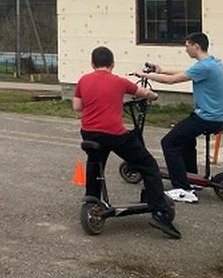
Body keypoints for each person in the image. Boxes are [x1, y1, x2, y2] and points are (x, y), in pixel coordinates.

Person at [74, 46, 180, 239]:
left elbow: (77, 107)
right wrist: (153, 96)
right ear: (112, 64)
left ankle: (92, 199)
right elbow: (144, 93)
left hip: (89, 133)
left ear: (92, 63)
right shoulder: (120, 82)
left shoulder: (83, 80)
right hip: (114, 134)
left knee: (95, 162)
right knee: (148, 164)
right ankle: (159, 212)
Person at [136, 32, 223, 204]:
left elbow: (171, 81)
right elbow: (186, 73)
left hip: (208, 117)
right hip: (216, 115)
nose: (185, 49)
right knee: (185, 139)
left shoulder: (204, 67)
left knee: (169, 143)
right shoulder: (212, 62)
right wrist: (161, 70)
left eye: (187, 46)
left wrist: (145, 75)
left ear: (196, 46)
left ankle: (183, 189)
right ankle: (190, 176)